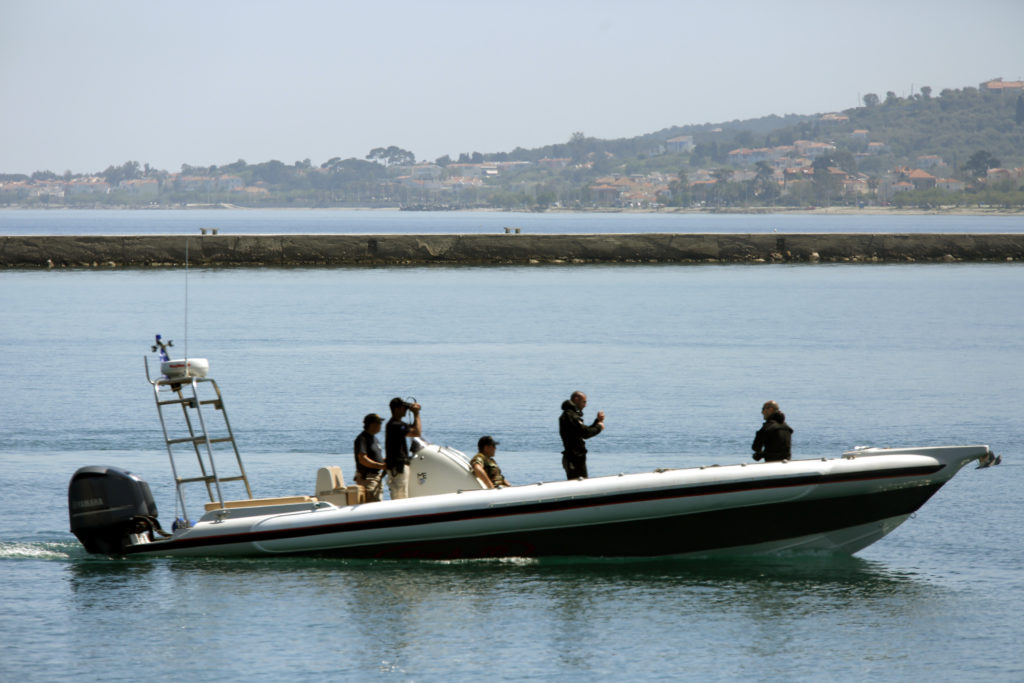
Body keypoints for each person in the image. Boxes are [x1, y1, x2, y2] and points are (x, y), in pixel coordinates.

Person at [558, 391, 605, 479]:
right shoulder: (570, 416)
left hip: (576, 458)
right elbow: (585, 433)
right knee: (577, 484)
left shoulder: (571, 415)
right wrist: (599, 427)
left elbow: (583, 430)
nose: (585, 405)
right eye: (584, 402)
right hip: (574, 458)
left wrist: (597, 422)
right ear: (576, 399)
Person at [385, 397, 421, 499]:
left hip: (397, 468)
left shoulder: (395, 425)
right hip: (398, 468)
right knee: (400, 498)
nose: (406, 410)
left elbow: (413, 429)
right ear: (397, 409)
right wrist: (416, 414)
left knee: (402, 495)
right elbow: (416, 432)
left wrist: (414, 413)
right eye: (404, 408)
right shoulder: (395, 425)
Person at [353, 413, 385, 502]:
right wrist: (381, 466)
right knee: (371, 504)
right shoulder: (362, 439)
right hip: (367, 478)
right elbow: (363, 459)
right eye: (379, 423)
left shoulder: (374, 439)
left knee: (377, 502)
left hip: (376, 477)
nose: (380, 425)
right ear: (372, 424)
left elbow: (376, 458)